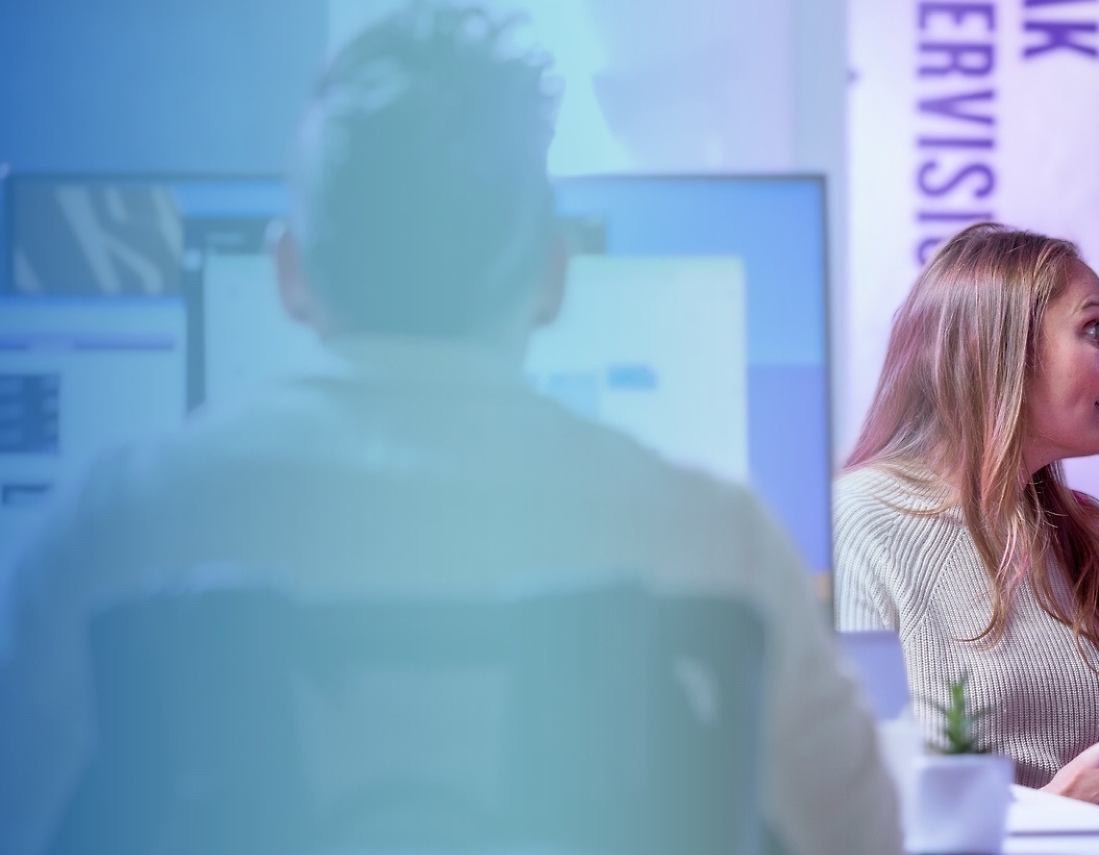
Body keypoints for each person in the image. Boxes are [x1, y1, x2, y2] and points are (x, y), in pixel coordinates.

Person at [0, 6, 898, 854]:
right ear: (552, 275)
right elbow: (863, 838)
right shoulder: (715, 537)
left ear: (289, 273)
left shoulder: (112, 527)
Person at [835, 224, 1099, 809]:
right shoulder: (857, 523)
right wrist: (1049, 812)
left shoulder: (1089, 535)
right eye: (1093, 330)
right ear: (1001, 352)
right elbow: (849, 810)